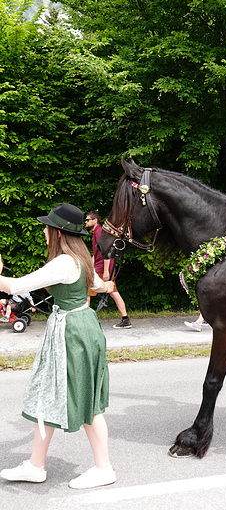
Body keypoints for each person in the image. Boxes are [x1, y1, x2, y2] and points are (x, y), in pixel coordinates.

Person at [0, 203, 116, 489]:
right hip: (79, 327)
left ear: (58, 232)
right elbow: (100, 285)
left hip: (73, 333)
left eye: (46, 226)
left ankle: (104, 469)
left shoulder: (65, 262)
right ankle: (35, 465)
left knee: (85, 401)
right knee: (51, 395)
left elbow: (16, 287)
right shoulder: (81, 257)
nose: (43, 229)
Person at [85, 210, 132, 329]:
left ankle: (84, 322)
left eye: (88, 220)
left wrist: (106, 271)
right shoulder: (96, 232)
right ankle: (125, 319)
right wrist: (88, 265)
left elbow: (106, 251)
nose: (85, 222)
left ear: (95, 221)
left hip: (103, 268)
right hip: (102, 267)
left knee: (86, 293)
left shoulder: (99, 231)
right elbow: (97, 253)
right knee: (113, 292)